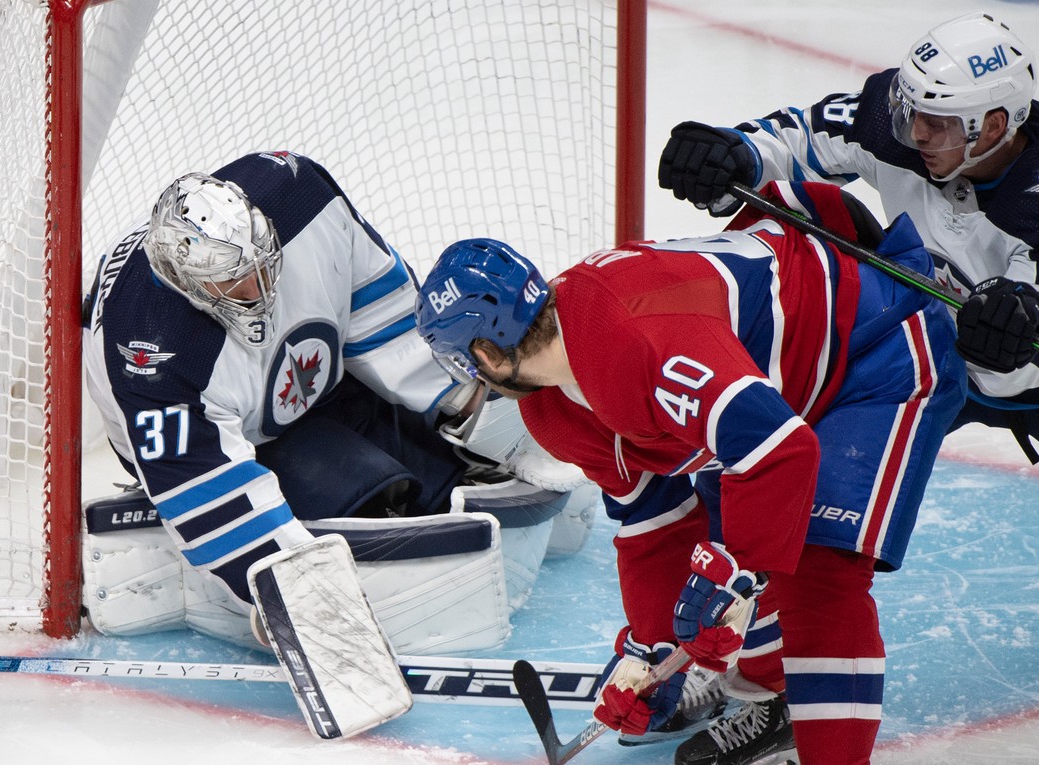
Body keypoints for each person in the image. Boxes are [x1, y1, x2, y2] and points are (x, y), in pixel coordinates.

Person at [657, 10, 1039, 758]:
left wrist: (1032, 318)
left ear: (996, 124)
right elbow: (796, 136)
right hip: (928, 353)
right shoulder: (899, 120)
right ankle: (769, 685)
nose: (917, 134)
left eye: (940, 123)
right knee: (791, 477)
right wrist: (734, 155)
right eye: (913, 113)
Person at [415, 179, 968, 765]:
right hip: (773, 381)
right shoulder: (554, 409)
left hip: (872, 340)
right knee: (728, 547)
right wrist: (651, 652)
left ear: (484, 354)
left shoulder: (639, 345)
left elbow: (781, 452)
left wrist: (736, 573)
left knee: (816, 571)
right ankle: (771, 696)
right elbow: (654, 521)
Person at [81, 150, 587, 737]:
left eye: (261, 265)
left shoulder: (299, 196)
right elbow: (207, 494)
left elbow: (384, 315)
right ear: (190, 285)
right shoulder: (151, 348)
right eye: (233, 283)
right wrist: (302, 607)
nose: (258, 287)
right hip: (214, 443)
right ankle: (191, 571)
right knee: (362, 503)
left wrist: (479, 407)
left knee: (436, 473)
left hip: (314, 384)